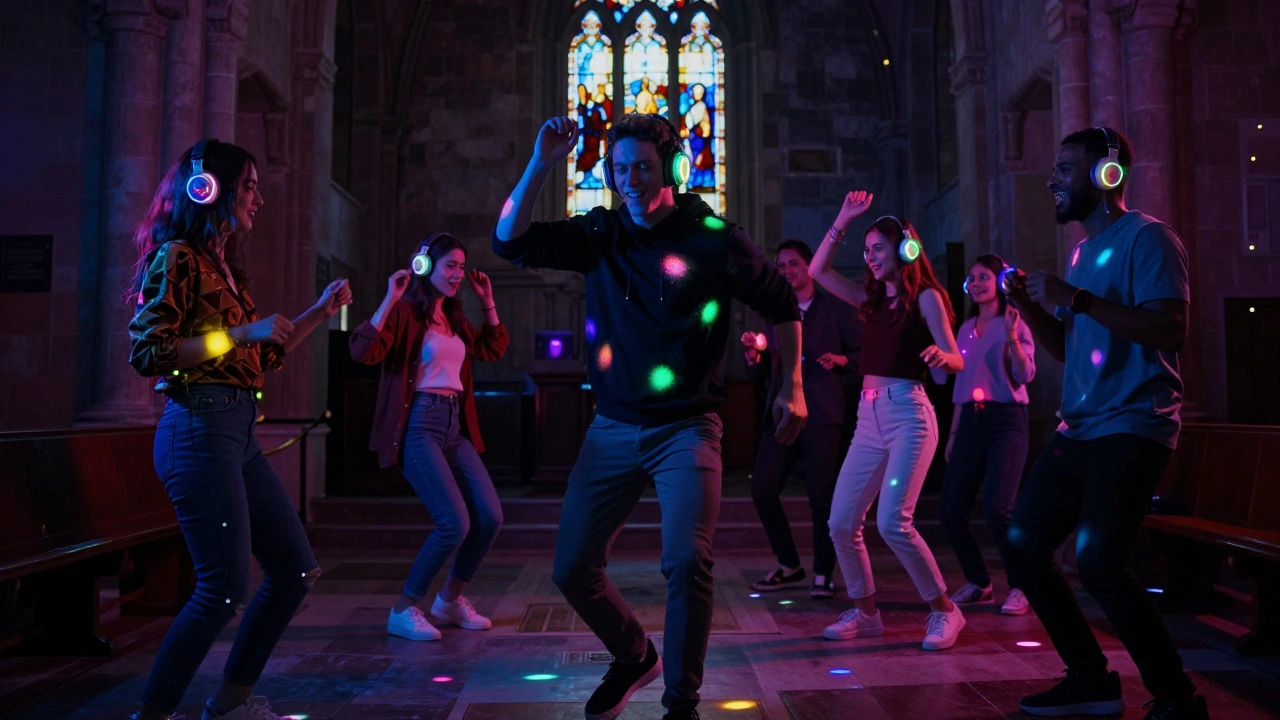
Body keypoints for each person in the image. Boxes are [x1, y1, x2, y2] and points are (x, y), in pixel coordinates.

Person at [494, 113, 807, 720]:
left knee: (687, 561)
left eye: (641, 167)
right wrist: (541, 163)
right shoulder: (602, 232)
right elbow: (509, 239)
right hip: (611, 427)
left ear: (668, 167)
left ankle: (681, 705)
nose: (630, 180)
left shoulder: (713, 236)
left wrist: (791, 384)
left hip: (688, 427)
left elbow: (782, 300)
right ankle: (634, 654)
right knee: (572, 568)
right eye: (619, 169)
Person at [126, 138, 352, 720]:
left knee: (295, 570)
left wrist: (319, 313)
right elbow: (150, 352)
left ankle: (229, 704)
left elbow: (262, 355)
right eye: (249, 186)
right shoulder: (176, 256)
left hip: (235, 431)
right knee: (222, 588)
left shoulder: (221, 267)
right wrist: (241, 334)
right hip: (198, 426)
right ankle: (151, 714)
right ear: (211, 189)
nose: (260, 197)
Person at [1002, 127, 1208, 719]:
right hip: (1081, 428)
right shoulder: (1081, 254)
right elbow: (1069, 350)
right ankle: (1091, 677)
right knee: (1022, 545)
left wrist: (1079, 299)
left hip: (1135, 423)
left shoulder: (1150, 240)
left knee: (1097, 559)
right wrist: (1030, 307)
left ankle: (1178, 699)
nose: (1051, 181)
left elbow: (1171, 331)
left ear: (1106, 175)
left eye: (1065, 170)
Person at [808, 191, 968, 651]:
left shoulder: (928, 299)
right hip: (868, 417)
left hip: (909, 415)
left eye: (878, 248)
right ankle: (866, 613)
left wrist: (944, 356)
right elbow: (819, 272)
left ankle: (945, 611)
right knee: (841, 522)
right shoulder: (870, 301)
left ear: (903, 249)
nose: (869, 257)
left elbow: (953, 358)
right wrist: (842, 218)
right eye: (866, 249)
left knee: (893, 522)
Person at [349, 233, 509, 644]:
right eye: (449, 266)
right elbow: (363, 351)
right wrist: (389, 296)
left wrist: (486, 300)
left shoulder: (454, 318)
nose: (457, 274)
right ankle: (403, 609)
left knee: (490, 516)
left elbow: (493, 349)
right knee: (453, 522)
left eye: (461, 266)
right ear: (425, 266)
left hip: (454, 426)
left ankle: (450, 600)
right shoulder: (405, 312)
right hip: (419, 423)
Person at [742, 239, 861, 599]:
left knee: (821, 496)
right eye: (780, 266)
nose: (786, 271)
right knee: (762, 488)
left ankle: (823, 572)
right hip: (783, 413)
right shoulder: (777, 310)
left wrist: (842, 361)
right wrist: (755, 359)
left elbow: (862, 353)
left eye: (792, 264)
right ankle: (789, 563)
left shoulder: (836, 308)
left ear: (809, 267)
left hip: (823, 412)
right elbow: (767, 374)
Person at [939, 254, 1035, 616]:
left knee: (999, 510)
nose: (976, 282)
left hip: (1006, 420)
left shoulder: (1014, 322)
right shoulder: (964, 329)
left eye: (984, 276)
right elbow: (962, 383)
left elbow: (1025, 375)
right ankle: (979, 582)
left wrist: (1011, 337)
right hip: (969, 421)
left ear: (999, 282)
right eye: (972, 277)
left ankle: (1022, 585)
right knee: (950, 509)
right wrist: (952, 433)